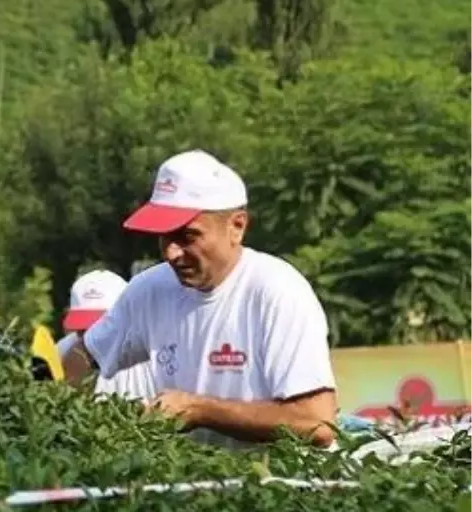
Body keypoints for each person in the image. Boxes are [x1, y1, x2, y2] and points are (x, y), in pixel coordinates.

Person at [60, 149, 339, 449]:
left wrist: (201, 411)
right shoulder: (149, 290)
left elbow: (318, 424)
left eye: (188, 236)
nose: (171, 253)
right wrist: (77, 422)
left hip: (288, 490)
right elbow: (83, 355)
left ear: (237, 226)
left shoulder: (276, 292)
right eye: (165, 236)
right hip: (202, 487)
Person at [56, 269, 155, 403]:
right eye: (83, 327)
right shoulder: (61, 351)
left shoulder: (154, 352)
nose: (91, 335)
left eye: (103, 326)